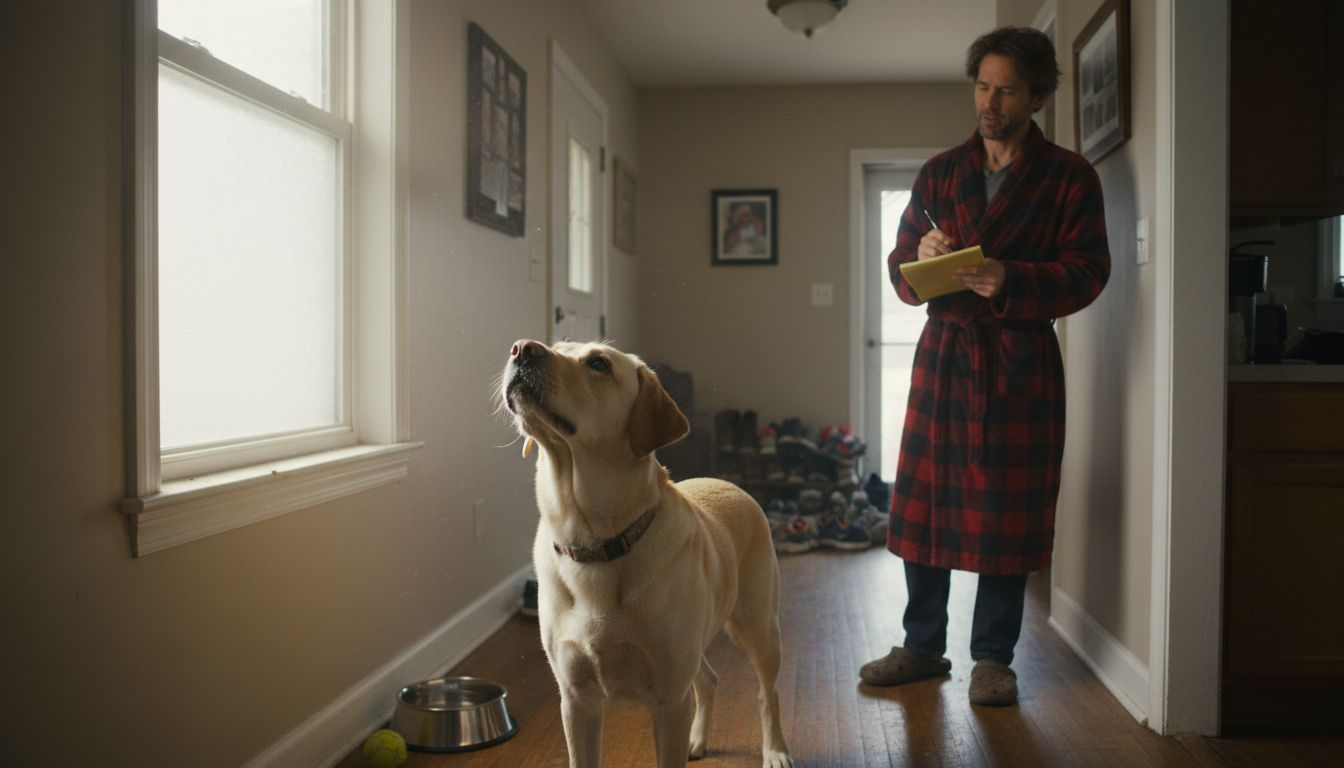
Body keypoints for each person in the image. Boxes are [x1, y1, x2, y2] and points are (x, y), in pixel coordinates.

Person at [859, 26, 1111, 706]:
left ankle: (993, 657)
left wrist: (1011, 279)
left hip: (1021, 358)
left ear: (1039, 95)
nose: (990, 102)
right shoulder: (941, 173)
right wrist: (926, 253)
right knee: (925, 503)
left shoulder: (1069, 178)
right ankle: (921, 645)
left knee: (1009, 510)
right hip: (945, 355)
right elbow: (901, 273)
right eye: (982, 86)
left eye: (1006, 90)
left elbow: (1089, 272)